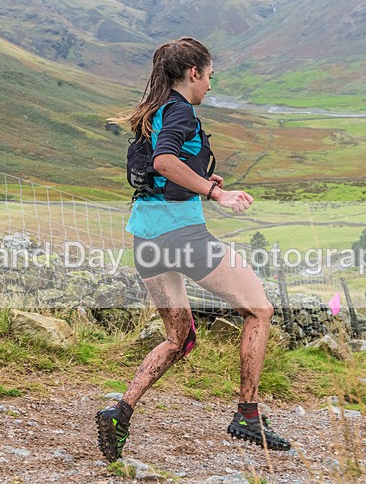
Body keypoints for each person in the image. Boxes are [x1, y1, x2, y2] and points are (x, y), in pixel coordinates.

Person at [96, 37, 291, 462]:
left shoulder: (158, 109)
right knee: (259, 310)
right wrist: (213, 193)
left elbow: (163, 172)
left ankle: (120, 412)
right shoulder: (181, 111)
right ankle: (248, 414)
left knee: (179, 338)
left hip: (146, 239)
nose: (210, 87)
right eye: (210, 77)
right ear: (194, 73)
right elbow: (165, 163)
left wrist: (204, 184)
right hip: (180, 237)